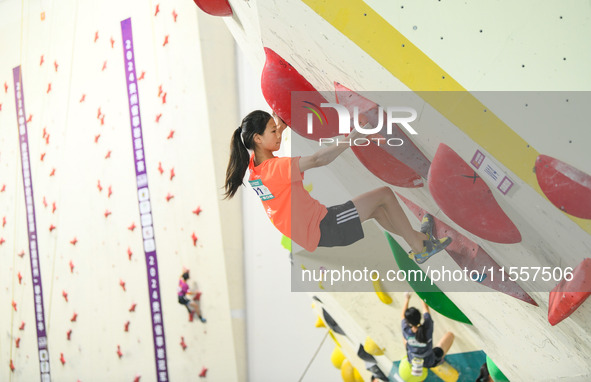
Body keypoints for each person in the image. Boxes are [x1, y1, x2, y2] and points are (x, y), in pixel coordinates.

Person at [224, 110, 451, 263]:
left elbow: (277, 172)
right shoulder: (275, 170)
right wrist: (355, 135)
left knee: (379, 211)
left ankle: (419, 240)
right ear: (257, 139)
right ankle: (420, 248)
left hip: (315, 229)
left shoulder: (255, 169)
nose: (278, 134)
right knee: (385, 195)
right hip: (325, 226)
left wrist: (278, 129)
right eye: (273, 131)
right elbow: (318, 160)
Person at [401, 292, 454, 369]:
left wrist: (406, 299)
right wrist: (420, 294)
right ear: (420, 317)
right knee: (450, 335)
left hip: (413, 359)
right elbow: (425, 309)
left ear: (407, 322)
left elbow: (402, 316)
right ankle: (440, 360)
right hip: (430, 361)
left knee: (405, 338)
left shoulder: (406, 330)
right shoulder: (427, 328)